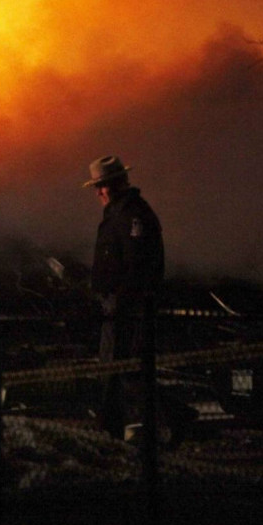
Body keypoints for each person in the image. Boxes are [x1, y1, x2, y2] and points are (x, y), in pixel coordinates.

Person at [83, 155, 168, 441]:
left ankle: (137, 431)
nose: (98, 192)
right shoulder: (119, 215)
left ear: (118, 184)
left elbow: (138, 265)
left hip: (128, 309)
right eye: (97, 186)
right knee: (115, 370)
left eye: (102, 186)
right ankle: (118, 430)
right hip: (117, 307)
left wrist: (121, 301)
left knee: (127, 369)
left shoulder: (133, 216)